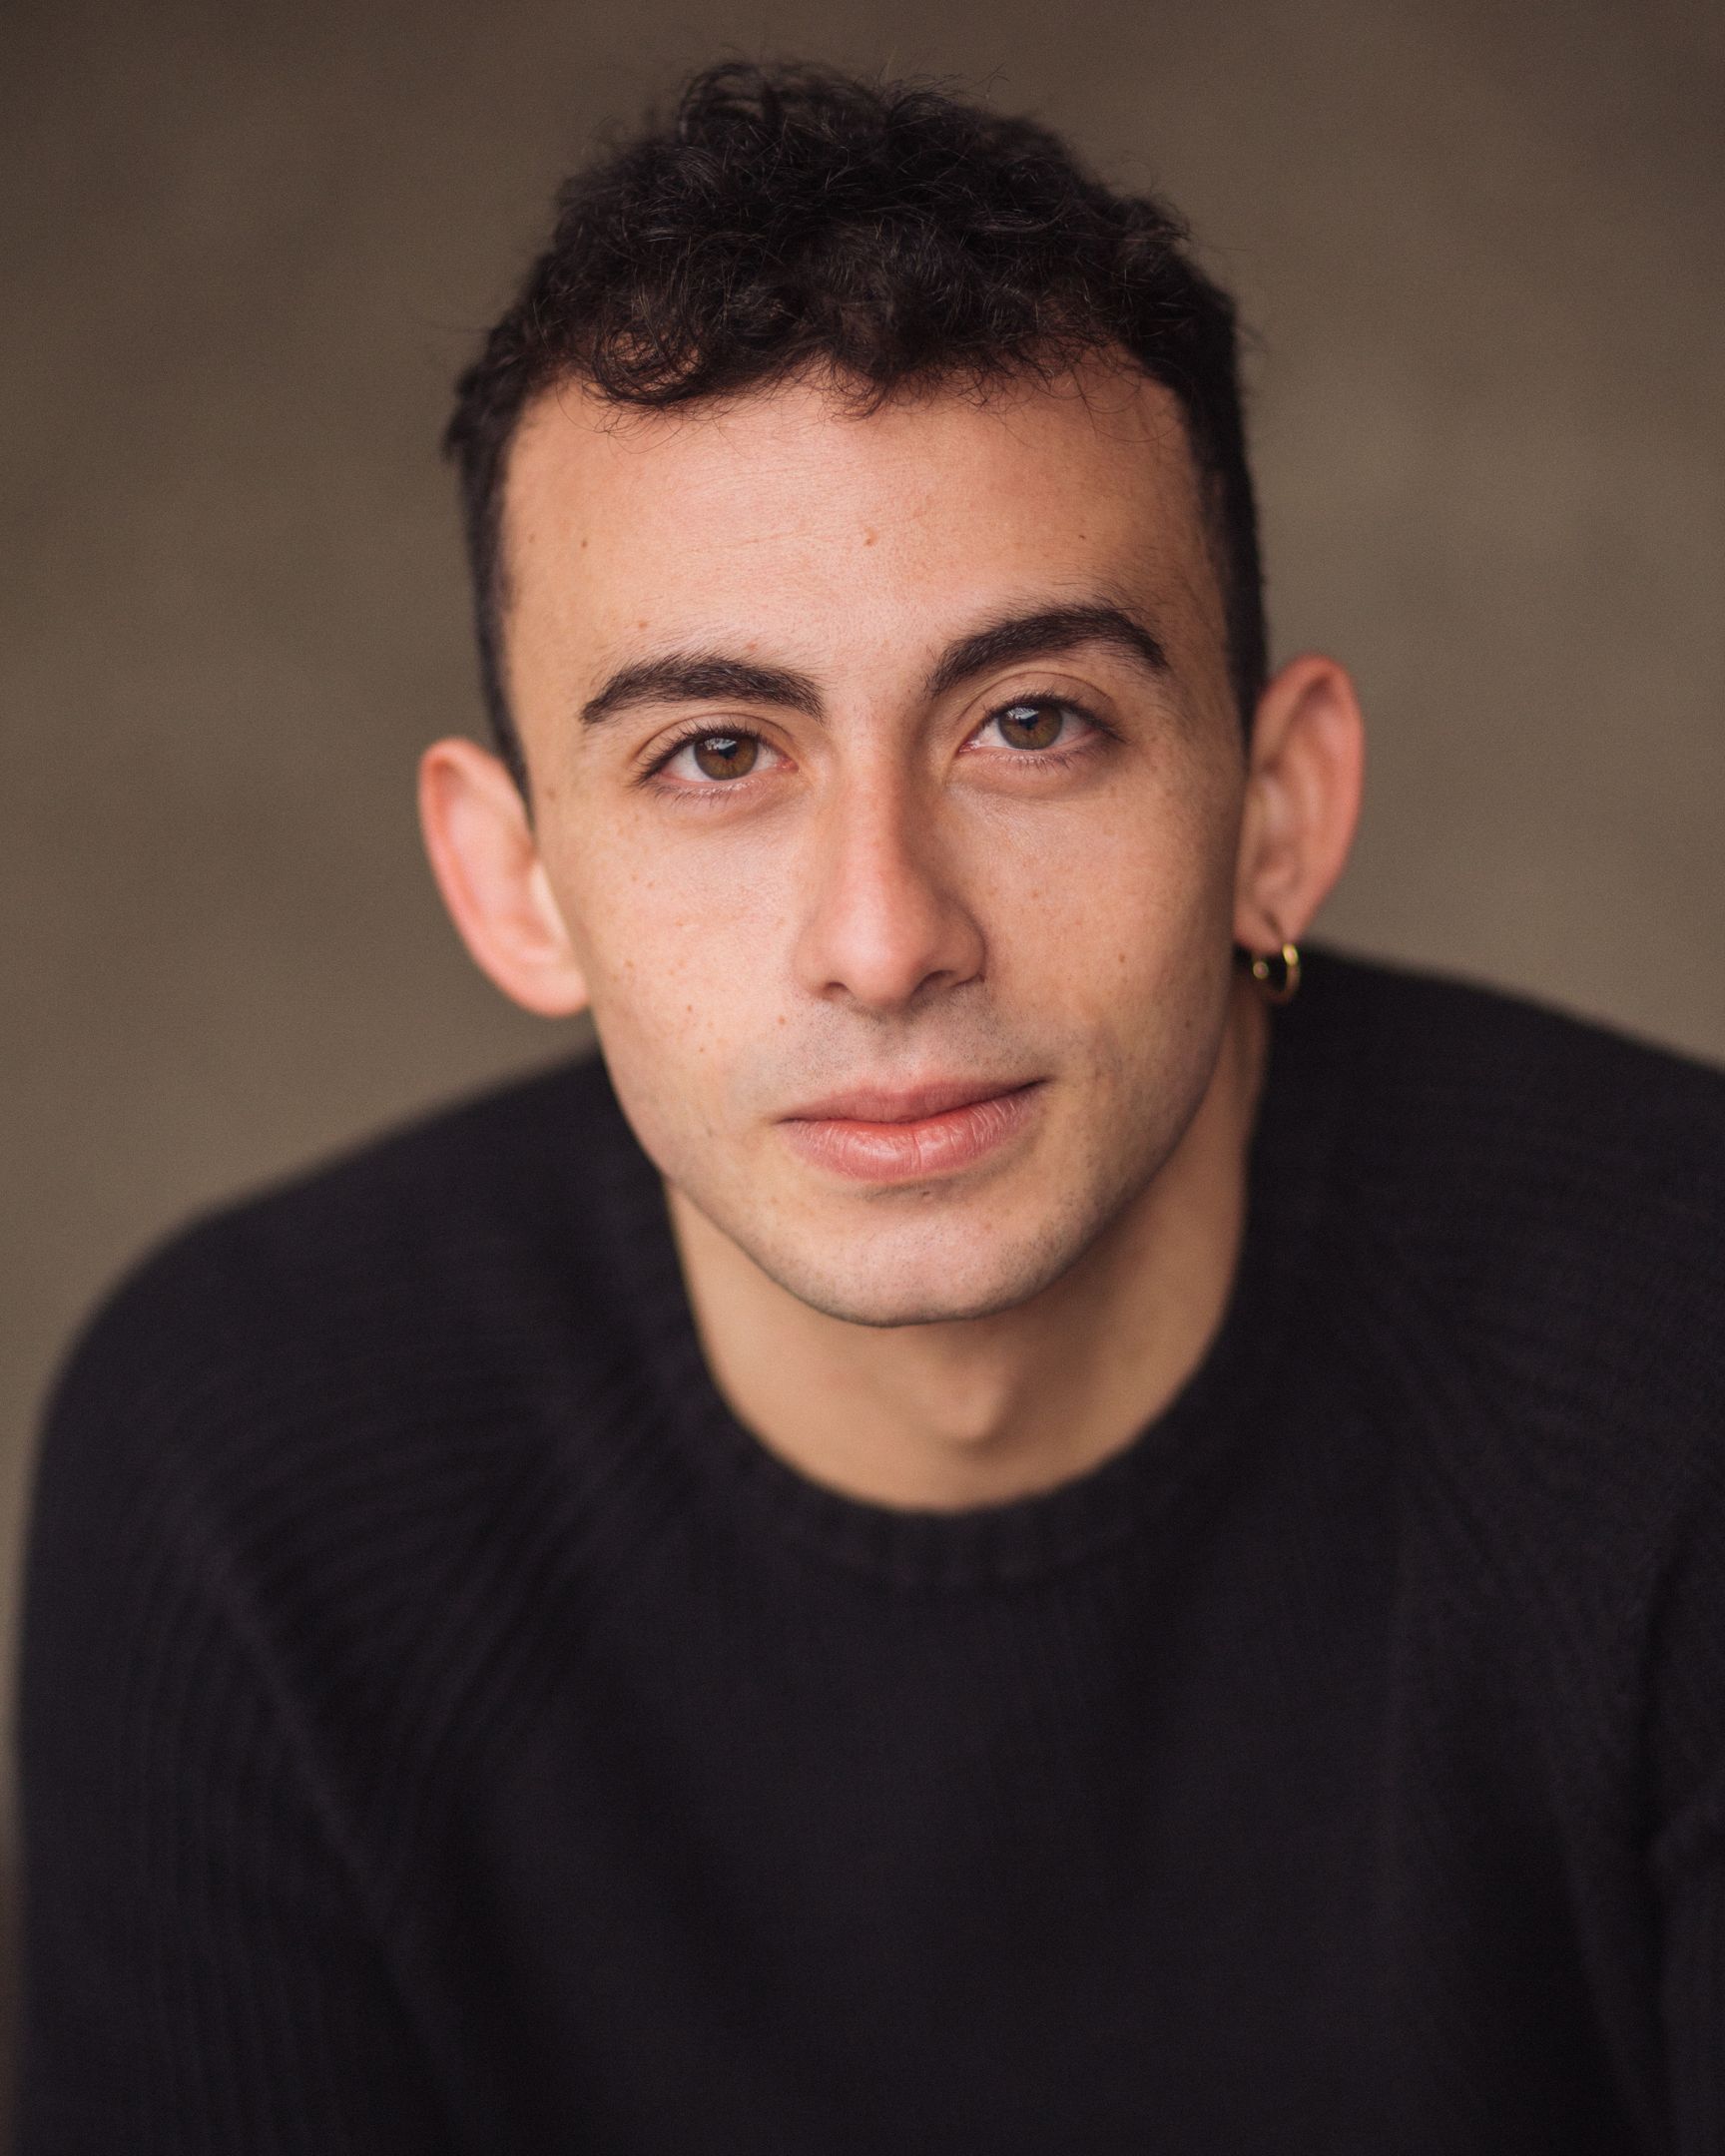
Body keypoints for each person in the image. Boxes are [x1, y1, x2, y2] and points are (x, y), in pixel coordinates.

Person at [15, 58, 1725, 2155]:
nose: (889, 935)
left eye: (1032, 722)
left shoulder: (1685, 1363)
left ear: (1277, 814)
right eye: (718, 755)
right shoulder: (251, 1469)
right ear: (516, 882)